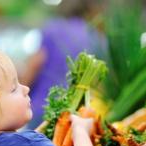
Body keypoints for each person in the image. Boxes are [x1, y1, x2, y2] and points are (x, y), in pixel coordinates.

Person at [20, 0, 105, 129]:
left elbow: (35, 64)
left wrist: (19, 93)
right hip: (77, 113)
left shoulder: (53, 28)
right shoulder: (96, 36)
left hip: (43, 107)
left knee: (34, 144)